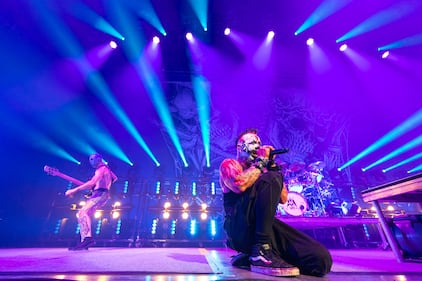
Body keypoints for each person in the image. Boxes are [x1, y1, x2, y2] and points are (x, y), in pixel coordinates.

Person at [219, 128, 332, 277]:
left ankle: (254, 254)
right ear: (241, 147)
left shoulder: (264, 173)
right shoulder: (230, 164)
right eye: (253, 143)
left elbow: (283, 198)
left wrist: (271, 167)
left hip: (262, 228)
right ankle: (261, 251)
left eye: (259, 143)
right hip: (239, 227)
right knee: (272, 178)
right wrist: (261, 163)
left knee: (320, 260)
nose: (258, 146)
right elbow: (239, 184)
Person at [65, 153, 117, 250]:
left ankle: (87, 239)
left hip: (100, 194)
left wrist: (74, 190)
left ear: (99, 159)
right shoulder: (107, 169)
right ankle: (84, 241)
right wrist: (101, 185)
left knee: (82, 212)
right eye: (90, 159)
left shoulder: (101, 169)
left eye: (92, 159)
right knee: (85, 214)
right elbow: (115, 178)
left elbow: (91, 183)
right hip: (102, 194)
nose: (91, 161)